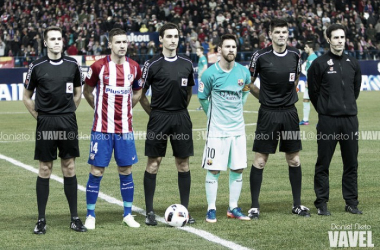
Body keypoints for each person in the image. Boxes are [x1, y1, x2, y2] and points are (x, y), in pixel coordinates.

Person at [23, 26, 87, 234]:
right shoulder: (36, 66)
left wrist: (68, 112)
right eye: (52, 39)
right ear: (45, 43)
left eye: (59, 38)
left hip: (68, 122)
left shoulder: (73, 64)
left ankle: (75, 218)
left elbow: (78, 92)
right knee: (45, 169)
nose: (57, 42)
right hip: (46, 123)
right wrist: (40, 117)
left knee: (69, 167)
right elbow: (26, 96)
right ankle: (41, 220)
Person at [248, 19, 310, 219]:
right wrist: (264, 98)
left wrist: (287, 97)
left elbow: (297, 78)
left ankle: (297, 205)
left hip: (290, 114)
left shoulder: (295, 54)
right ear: (271, 34)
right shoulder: (260, 56)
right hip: (268, 113)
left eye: (284, 32)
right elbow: (248, 83)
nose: (281, 35)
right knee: (260, 160)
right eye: (278, 32)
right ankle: (255, 206)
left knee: (294, 159)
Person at [82, 28, 142, 229]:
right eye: (118, 42)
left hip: (125, 129)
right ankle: (90, 215)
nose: (122, 45)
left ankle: (127, 214)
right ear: (110, 44)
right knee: (97, 171)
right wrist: (99, 109)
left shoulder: (134, 67)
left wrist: (126, 109)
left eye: (125, 42)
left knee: (126, 169)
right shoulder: (98, 66)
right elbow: (87, 91)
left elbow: (138, 91)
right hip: (102, 129)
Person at [139, 22, 195, 226]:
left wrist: (180, 109)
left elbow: (189, 92)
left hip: (181, 118)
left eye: (176, 36)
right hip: (159, 119)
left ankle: (185, 211)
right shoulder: (151, 64)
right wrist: (153, 113)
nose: (173, 40)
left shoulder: (187, 64)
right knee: (154, 164)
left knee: (183, 164)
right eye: (169, 36)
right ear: (161, 39)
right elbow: (141, 94)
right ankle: (149, 212)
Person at [308, 24, 362, 216]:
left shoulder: (353, 63)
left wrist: (345, 106)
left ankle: (351, 202)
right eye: (336, 37)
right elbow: (313, 92)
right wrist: (326, 109)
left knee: (351, 163)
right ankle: (321, 203)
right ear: (328, 39)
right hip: (328, 121)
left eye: (342, 37)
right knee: (323, 163)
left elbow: (355, 90)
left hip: (349, 120)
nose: (340, 40)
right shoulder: (319, 64)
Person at [198, 34, 251, 223]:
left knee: (238, 168)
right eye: (227, 47)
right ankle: (211, 209)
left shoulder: (243, 72)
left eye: (234, 47)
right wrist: (212, 115)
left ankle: (233, 207)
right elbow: (203, 98)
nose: (231, 50)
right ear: (219, 50)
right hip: (217, 131)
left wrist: (239, 108)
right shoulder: (209, 74)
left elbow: (245, 89)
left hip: (237, 130)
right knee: (214, 169)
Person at [299, 41, 318, 125]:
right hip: (309, 83)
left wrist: (310, 81)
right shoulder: (310, 57)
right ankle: (305, 120)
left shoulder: (313, 58)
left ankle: (323, 120)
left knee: (318, 102)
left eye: (306, 47)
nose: (304, 48)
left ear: (310, 48)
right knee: (306, 100)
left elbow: (315, 72)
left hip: (313, 83)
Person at [196, 46, 208, 111]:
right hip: (201, 78)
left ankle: (202, 106)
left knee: (201, 92)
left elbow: (205, 67)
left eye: (198, 51)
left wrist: (200, 74)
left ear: (201, 51)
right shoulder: (200, 58)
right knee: (202, 92)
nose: (196, 52)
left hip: (202, 78)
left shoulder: (202, 58)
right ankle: (202, 106)